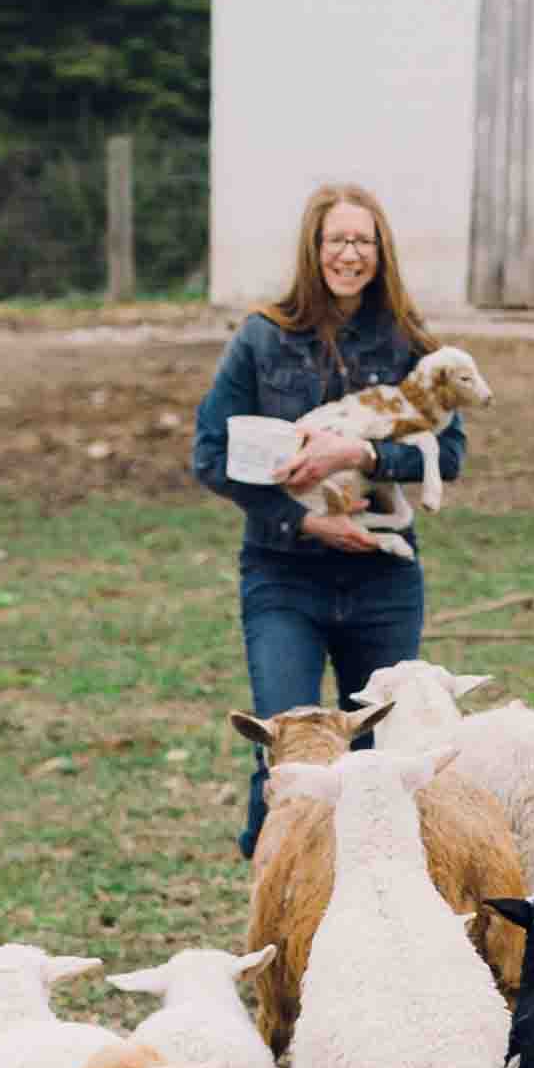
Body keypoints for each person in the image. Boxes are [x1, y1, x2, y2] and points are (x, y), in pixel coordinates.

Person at [192, 182, 469, 849]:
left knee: (379, 760)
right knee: (289, 750)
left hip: (382, 580)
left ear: (381, 252)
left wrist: (364, 452)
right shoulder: (263, 339)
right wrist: (303, 521)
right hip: (284, 573)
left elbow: (450, 452)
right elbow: (209, 454)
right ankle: (272, 889)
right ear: (313, 250)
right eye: (337, 240)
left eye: (363, 241)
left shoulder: (410, 343)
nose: (350, 254)